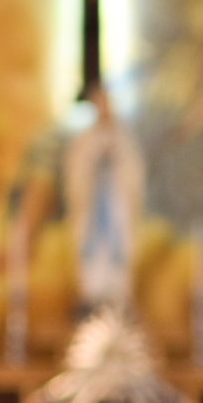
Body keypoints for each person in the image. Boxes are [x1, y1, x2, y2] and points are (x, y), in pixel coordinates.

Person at [63, 86, 144, 313]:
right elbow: (75, 171)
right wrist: (94, 165)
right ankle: (90, 298)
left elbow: (133, 172)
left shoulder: (123, 138)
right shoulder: (84, 140)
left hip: (115, 205)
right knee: (91, 257)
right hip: (92, 207)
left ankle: (119, 300)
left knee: (118, 254)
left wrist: (114, 165)